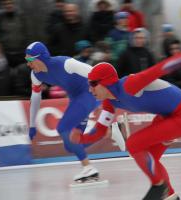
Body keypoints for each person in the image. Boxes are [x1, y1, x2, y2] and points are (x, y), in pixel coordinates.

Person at [70, 46, 181, 199]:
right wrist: (81, 139)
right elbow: (100, 130)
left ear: (105, 82)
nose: (90, 89)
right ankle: (170, 195)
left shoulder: (130, 84)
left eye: (93, 84)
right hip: (166, 117)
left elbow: (163, 68)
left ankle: (159, 186)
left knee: (133, 144)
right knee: (149, 158)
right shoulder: (109, 102)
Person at [25, 41, 125, 183]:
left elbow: (95, 72)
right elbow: (35, 98)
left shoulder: (66, 63)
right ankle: (109, 131)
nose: (28, 64)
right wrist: (32, 124)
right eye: (26, 60)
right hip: (75, 98)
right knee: (71, 143)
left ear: (40, 57)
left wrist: (117, 91)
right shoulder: (35, 75)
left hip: (88, 94)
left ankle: (88, 168)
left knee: (63, 128)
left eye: (30, 59)